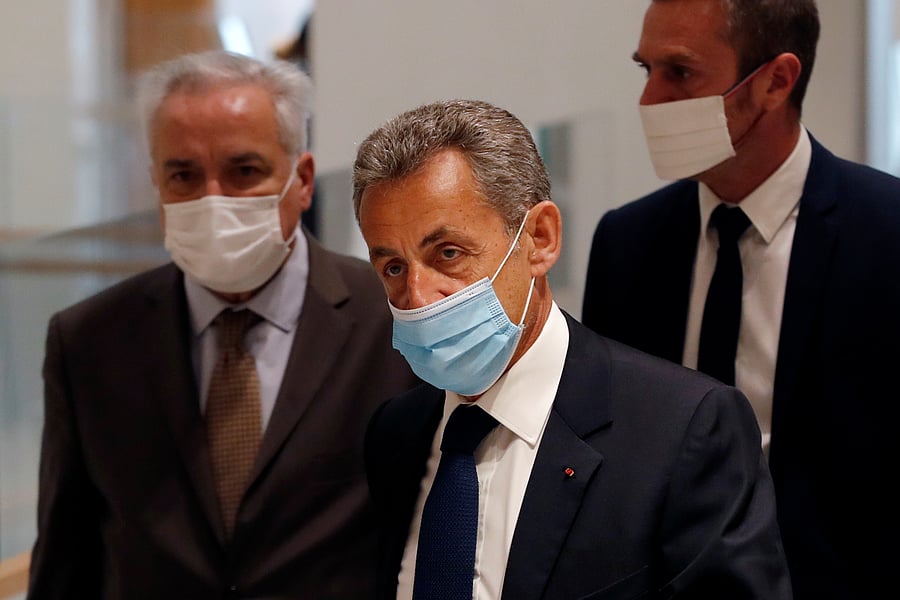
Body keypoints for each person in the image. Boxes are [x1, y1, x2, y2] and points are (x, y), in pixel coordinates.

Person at [352, 98, 791, 599]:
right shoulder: (396, 434)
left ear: (539, 238)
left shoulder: (683, 431)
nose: (418, 297)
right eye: (392, 268)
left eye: (448, 253)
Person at [27, 50, 417, 599]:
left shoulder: (395, 320)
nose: (213, 199)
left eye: (244, 171)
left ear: (302, 180)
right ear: (157, 187)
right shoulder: (89, 342)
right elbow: (67, 560)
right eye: (183, 175)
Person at [581, 1, 900, 598]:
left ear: (776, 82)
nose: (649, 101)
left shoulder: (886, 235)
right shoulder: (627, 243)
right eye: (644, 69)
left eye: (679, 72)